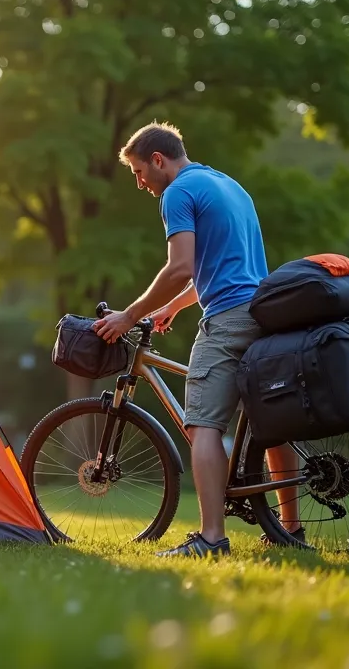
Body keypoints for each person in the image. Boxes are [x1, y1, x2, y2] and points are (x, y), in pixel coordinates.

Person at [92, 121, 301, 558]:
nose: (140, 183)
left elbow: (180, 267)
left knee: (203, 424)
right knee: (270, 420)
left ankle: (210, 538)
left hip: (228, 320)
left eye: (138, 172)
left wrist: (130, 315)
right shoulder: (227, 185)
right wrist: (174, 306)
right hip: (262, 312)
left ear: (157, 159)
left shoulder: (177, 194)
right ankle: (289, 529)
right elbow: (222, 266)